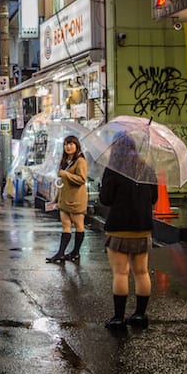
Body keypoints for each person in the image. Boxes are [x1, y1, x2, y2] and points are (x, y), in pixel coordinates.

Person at [98, 136, 157, 330]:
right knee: (141, 272)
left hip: (119, 227)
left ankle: (118, 318)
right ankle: (140, 315)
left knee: (121, 272)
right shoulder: (146, 169)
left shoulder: (114, 170)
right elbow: (154, 197)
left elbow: (105, 199)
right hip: (142, 227)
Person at [47, 135, 89, 264]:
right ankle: (60, 253)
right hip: (64, 198)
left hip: (76, 199)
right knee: (65, 226)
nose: (68, 147)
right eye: (66, 144)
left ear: (77, 146)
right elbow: (62, 181)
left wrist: (65, 174)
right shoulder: (65, 161)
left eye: (71, 144)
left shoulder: (80, 161)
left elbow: (82, 179)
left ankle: (76, 252)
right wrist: (56, 198)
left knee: (78, 225)